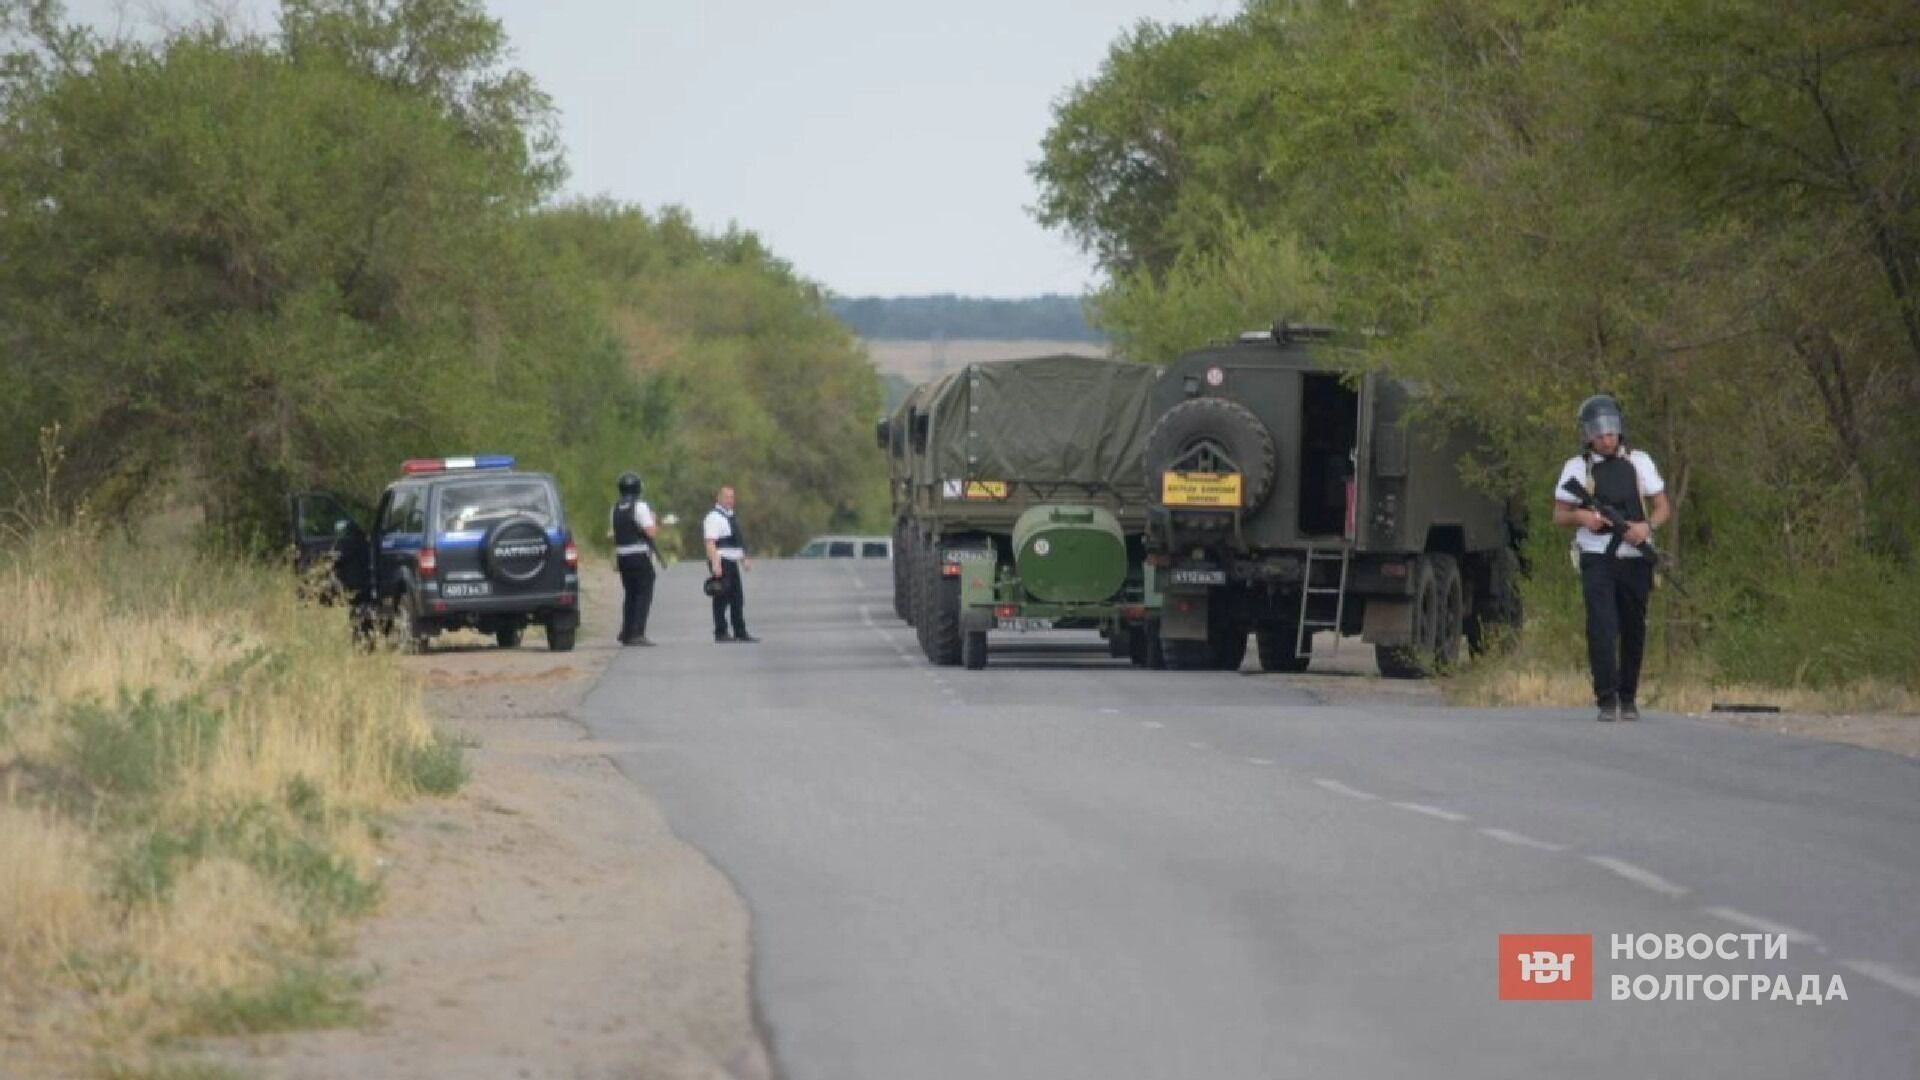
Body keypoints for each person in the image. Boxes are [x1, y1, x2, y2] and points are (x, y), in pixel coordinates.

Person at [1552, 395, 1671, 722]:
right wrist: (1583, 518)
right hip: (1596, 557)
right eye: (1599, 433)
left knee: (1633, 628)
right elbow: (1559, 515)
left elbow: (1662, 506)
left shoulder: (1640, 462)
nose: (1606, 439)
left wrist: (1645, 527)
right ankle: (1606, 698)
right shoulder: (1576, 468)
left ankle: (1628, 696)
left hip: (1634, 557)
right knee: (1601, 626)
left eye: (1611, 432)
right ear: (1587, 435)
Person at [703, 485, 756, 643]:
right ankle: (721, 632)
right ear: (718, 498)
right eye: (726, 497)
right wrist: (715, 564)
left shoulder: (730, 516)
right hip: (721, 560)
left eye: (732, 497)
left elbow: (737, 541)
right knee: (721, 597)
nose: (730, 500)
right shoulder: (714, 517)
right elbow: (710, 542)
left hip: (732, 561)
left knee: (737, 599)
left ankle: (740, 631)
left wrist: (744, 558)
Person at [610, 472, 658, 646]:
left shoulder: (615, 508)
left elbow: (613, 534)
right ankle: (637, 632)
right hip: (639, 555)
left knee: (630, 594)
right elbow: (651, 532)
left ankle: (627, 631)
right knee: (643, 594)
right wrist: (653, 519)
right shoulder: (640, 507)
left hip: (622, 556)